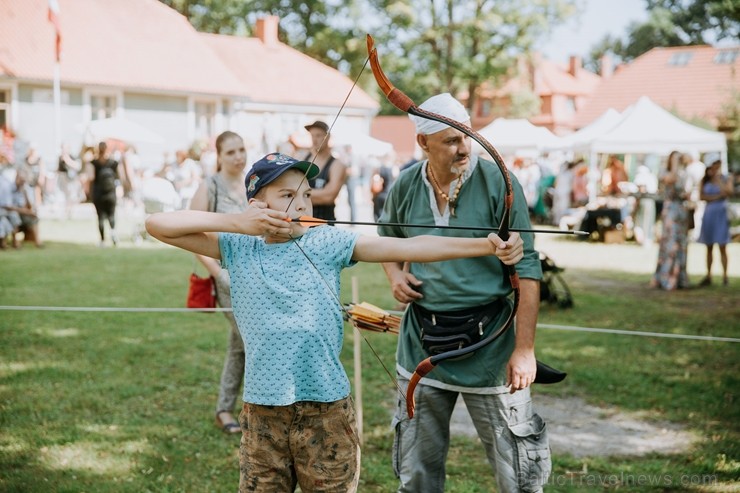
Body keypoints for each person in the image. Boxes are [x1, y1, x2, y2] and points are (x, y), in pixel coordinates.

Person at [145, 151, 523, 493]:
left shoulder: (326, 242)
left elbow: (409, 247)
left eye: (307, 194)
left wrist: (487, 246)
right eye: (287, 195)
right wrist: (238, 223)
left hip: (325, 409)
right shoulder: (237, 246)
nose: (302, 203)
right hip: (263, 410)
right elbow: (157, 223)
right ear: (257, 205)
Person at [376, 93, 549, 493]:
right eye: (450, 140)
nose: (463, 147)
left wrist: (524, 349)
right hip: (423, 343)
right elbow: (387, 240)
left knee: (518, 473)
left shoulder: (498, 182)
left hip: (491, 344)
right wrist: (395, 276)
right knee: (417, 470)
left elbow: (527, 267)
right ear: (423, 143)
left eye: (467, 136)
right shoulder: (406, 184)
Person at [189, 131, 249, 435]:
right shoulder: (209, 186)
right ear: (219, 156)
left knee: (239, 345)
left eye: (241, 149)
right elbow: (191, 234)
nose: (238, 156)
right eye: (231, 152)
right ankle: (256, 410)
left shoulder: (254, 184)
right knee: (253, 341)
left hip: (255, 276)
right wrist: (217, 273)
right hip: (227, 280)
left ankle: (224, 410)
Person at [651, 150, 690, 290]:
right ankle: (666, 277)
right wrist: (674, 163)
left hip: (681, 210)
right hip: (671, 210)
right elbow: (671, 179)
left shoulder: (683, 173)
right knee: (670, 242)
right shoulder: (664, 172)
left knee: (681, 243)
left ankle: (679, 277)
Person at [300, 120, 347, 221]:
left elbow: (329, 197)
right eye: (312, 136)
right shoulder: (303, 158)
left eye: (318, 135)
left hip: (324, 223)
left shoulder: (337, 165)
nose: (314, 140)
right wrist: (320, 194)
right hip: (302, 222)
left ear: (327, 137)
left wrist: (300, 194)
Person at [697, 160, 732, 286]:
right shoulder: (704, 180)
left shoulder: (725, 179)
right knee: (709, 246)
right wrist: (717, 196)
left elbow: (728, 193)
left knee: (722, 246)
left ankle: (725, 276)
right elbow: (701, 196)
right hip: (709, 213)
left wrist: (718, 181)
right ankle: (708, 275)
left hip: (720, 214)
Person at [91, 141, 122, 247]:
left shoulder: (94, 163)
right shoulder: (113, 163)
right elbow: (119, 177)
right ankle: (113, 234)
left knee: (100, 216)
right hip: (111, 193)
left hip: (98, 192)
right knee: (111, 215)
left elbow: (89, 177)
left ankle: (102, 240)